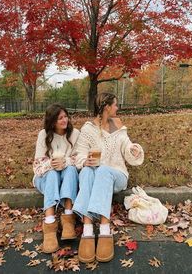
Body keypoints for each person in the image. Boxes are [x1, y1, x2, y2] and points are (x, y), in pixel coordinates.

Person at [72, 92, 144, 263]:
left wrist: (133, 148)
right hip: (94, 175)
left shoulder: (118, 125)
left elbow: (127, 146)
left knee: (103, 170)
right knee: (88, 172)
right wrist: (85, 161)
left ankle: (104, 228)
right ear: (106, 107)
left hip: (116, 175)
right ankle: (87, 229)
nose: (117, 108)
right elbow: (79, 155)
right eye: (115, 105)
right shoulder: (88, 129)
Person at [33, 104, 80, 253]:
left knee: (71, 169)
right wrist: (52, 164)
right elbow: (38, 167)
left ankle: (68, 219)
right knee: (53, 174)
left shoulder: (75, 134)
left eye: (65, 116)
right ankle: (50, 224)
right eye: (60, 118)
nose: (64, 120)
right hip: (46, 179)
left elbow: (79, 159)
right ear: (52, 121)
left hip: (68, 178)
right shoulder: (43, 135)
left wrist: (65, 161)